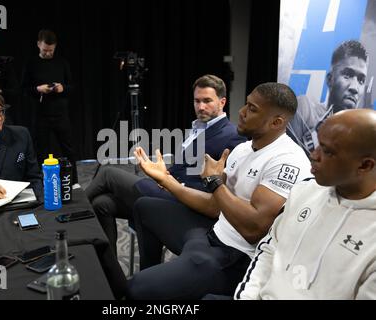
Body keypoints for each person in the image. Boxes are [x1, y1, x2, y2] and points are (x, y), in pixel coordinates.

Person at [127, 82, 312, 300]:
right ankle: (156, 280)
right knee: (144, 207)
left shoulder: (288, 160)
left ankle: (155, 288)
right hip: (212, 232)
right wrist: (166, 180)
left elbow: (254, 229)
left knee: (137, 288)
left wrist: (215, 182)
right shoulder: (243, 149)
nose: (241, 113)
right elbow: (215, 206)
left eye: (252, 109)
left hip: (236, 256)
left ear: (276, 122)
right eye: (246, 105)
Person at [85, 75, 247, 254]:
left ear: (222, 101)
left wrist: (171, 183)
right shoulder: (199, 127)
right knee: (102, 204)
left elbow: (221, 190)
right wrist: (165, 174)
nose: (201, 107)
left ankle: (71, 214)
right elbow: (183, 168)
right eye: (197, 101)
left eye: (207, 101)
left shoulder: (232, 135)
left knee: (108, 174)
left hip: (186, 202)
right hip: (167, 191)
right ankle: (110, 270)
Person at [235, 109, 376, 300]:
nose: (314, 155)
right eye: (318, 144)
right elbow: (268, 251)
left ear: (365, 165)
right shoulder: (303, 191)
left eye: (327, 151)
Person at [288, 40, 369, 153]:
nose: (355, 88)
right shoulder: (306, 108)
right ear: (330, 79)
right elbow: (287, 161)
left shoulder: (360, 133)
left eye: (361, 80)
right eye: (347, 75)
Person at [21, 29, 77, 179]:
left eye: (51, 50)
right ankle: (42, 181)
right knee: (41, 151)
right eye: (45, 50)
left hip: (60, 113)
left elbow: (72, 87)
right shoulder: (31, 63)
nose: (48, 53)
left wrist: (62, 88)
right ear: (38, 44)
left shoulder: (62, 63)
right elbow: (23, 89)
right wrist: (38, 89)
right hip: (40, 114)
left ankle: (74, 180)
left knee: (68, 149)